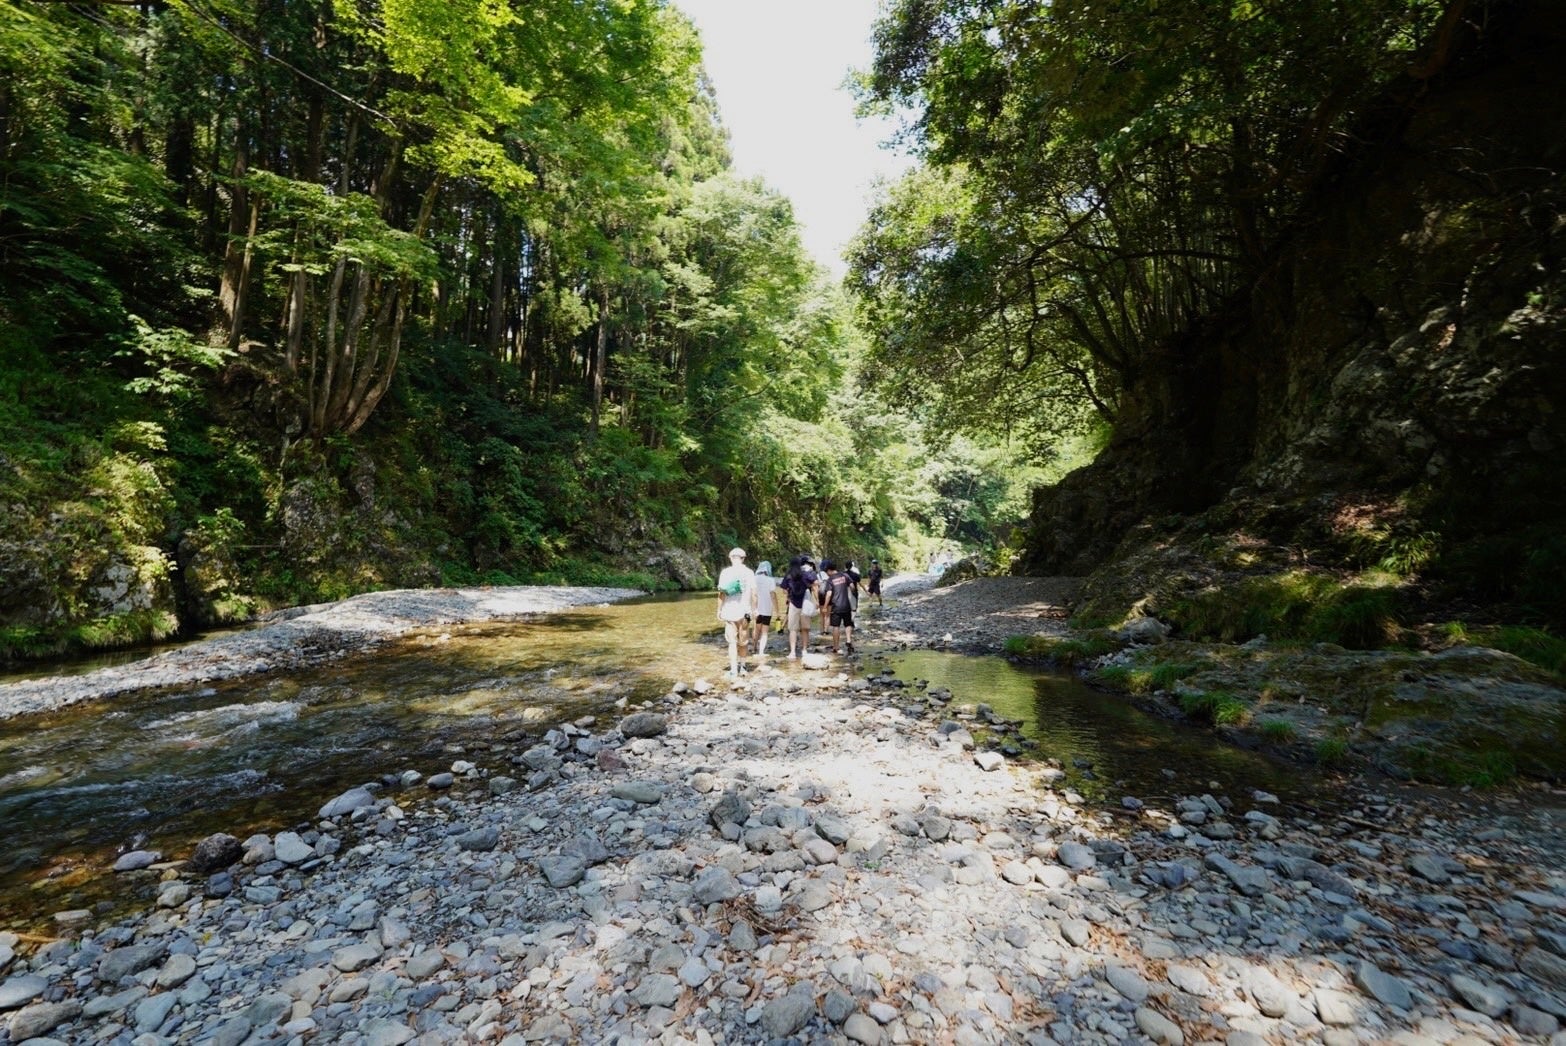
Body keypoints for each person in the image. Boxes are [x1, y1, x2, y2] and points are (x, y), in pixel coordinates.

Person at [715, 547, 755, 678]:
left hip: (729, 611)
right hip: (745, 612)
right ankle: (743, 667)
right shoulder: (749, 573)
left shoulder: (725, 572)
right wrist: (755, 609)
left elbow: (721, 593)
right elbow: (754, 594)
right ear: (743, 559)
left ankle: (733, 670)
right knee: (743, 640)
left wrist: (719, 610)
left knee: (732, 642)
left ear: (731, 558)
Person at [780, 555, 820, 659]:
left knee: (793, 629)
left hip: (793, 604)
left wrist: (789, 592)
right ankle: (804, 650)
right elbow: (816, 583)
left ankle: (792, 652)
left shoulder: (788, 575)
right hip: (805, 603)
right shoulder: (805, 574)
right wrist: (809, 586)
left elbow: (784, 590)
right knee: (805, 629)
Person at [819, 559, 857, 655]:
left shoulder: (830, 580)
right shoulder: (845, 575)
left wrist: (825, 606)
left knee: (836, 626)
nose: (827, 574)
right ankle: (848, 640)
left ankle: (836, 647)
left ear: (829, 570)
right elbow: (852, 587)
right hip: (846, 605)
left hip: (836, 606)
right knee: (848, 624)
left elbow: (829, 593)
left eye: (826, 572)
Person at [751, 560, 780, 657]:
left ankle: (753, 648)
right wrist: (777, 611)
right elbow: (773, 595)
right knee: (764, 632)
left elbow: (752, 595)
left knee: (756, 629)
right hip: (767, 610)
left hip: (756, 610)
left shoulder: (753, 579)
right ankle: (761, 652)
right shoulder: (770, 580)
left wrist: (753, 608)